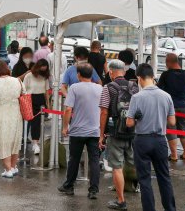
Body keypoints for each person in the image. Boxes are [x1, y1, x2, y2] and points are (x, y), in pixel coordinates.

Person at [125, 63, 176, 211]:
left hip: (142, 140)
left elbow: (129, 123)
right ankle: (170, 209)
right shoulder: (166, 96)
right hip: (160, 140)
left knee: (145, 179)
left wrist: (136, 118)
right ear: (153, 77)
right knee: (164, 177)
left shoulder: (137, 97)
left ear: (139, 78)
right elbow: (172, 122)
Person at [58, 63, 103, 200]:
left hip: (77, 130)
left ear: (78, 75)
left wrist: (65, 127)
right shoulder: (100, 88)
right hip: (94, 130)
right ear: (92, 75)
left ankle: (69, 186)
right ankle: (93, 190)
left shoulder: (75, 88)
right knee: (94, 160)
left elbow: (68, 109)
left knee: (74, 159)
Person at [99, 60, 139, 210]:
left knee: (117, 167)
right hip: (133, 131)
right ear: (124, 71)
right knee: (134, 163)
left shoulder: (108, 87)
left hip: (116, 132)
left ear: (111, 72)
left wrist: (101, 135)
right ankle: (141, 189)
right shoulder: (134, 87)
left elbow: (103, 112)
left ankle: (121, 200)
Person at [157, 53, 185, 162]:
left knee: (171, 129)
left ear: (168, 62)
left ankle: (174, 155)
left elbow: (159, 88)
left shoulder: (165, 75)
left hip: (170, 105)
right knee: (184, 128)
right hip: (183, 105)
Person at [23, 59, 51, 154]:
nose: (42, 72)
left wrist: (48, 103)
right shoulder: (29, 76)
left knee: (37, 122)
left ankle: (35, 142)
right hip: (30, 98)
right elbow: (23, 89)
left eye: (44, 70)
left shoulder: (44, 77)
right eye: (41, 70)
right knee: (30, 121)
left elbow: (46, 91)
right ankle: (29, 140)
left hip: (40, 99)